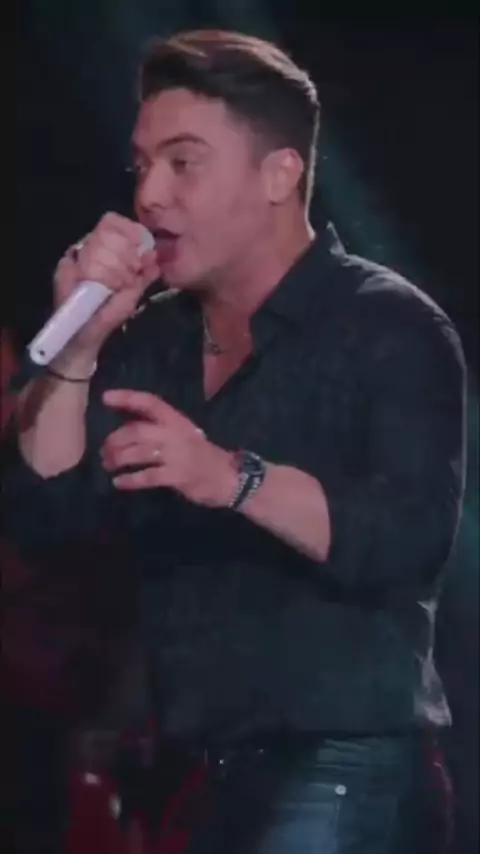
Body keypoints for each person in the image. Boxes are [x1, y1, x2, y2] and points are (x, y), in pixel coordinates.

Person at [3, 30, 466, 853]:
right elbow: (41, 514)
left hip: (342, 766)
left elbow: (404, 542)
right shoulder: (150, 342)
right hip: (194, 780)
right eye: (142, 165)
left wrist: (230, 477)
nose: (149, 195)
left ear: (279, 174)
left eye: (183, 163)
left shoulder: (390, 326)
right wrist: (78, 348)